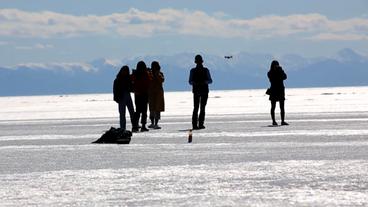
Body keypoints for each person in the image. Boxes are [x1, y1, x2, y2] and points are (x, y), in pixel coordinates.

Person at [189, 55, 212, 130]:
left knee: (199, 108)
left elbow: (190, 81)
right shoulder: (204, 70)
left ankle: (197, 124)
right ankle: (198, 124)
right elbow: (210, 80)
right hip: (200, 91)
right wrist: (203, 82)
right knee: (199, 108)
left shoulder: (194, 70)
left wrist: (200, 83)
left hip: (200, 91)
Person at [131, 61, 152, 132]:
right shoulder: (145, 74)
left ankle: (135, 126)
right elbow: (149, 82)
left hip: (138, 95)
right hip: (143, 94)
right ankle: (142, 126)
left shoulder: (135, 74)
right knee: (143, 111)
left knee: (138, 111)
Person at [113, 65, 135, 131]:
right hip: (121, 97)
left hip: (126, 96)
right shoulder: (118, 80)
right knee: (123, 114)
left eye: (126, 71)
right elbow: (115, 90)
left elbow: (131, 88)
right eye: (125, 70)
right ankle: (123, 128)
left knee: (131, 112)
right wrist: (116, 98)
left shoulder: (127, 79)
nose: (126, 72)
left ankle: (134, 126)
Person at [267, 60, 288, 126]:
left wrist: (281, 70)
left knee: (282, 107)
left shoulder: (280, 71)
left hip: (280, 91)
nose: (277, 66)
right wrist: (278, 71)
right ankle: (273, 121)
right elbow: (273, 79)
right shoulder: (270, 73)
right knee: (273, 107)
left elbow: (285, 77)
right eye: (275, 65)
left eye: (277, 65)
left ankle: (282, 121)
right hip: (274, 91)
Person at [148, 61, 165, 129]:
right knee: (152, 108)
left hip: (158, 93)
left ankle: (156, 123)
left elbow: (162, 80)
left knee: (157, 109)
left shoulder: (160, 73)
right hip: (151, 93)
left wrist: (157, 74)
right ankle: (152, 123)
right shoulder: (150, 73)